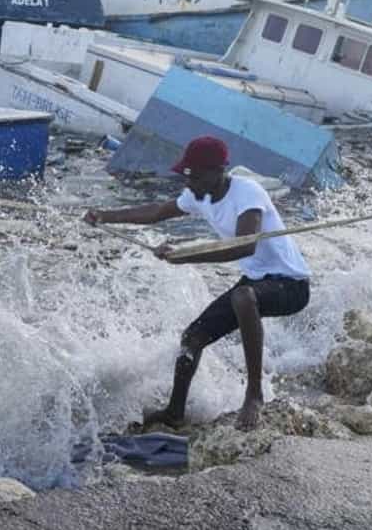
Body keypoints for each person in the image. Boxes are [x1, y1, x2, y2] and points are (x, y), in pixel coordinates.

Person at [84, 136, 311, 431]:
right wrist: (105, 216)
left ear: (219, 171)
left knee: (243, 297)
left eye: (196, 176)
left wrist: (185, 255)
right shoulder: (198, 195)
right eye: (187, 176)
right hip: (257, 282)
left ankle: (254, 394)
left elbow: (244, 246)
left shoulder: (248, 193)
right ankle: (175, 411)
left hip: (291, 285)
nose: (189, 183)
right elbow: (156, 212)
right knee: (192, 338)